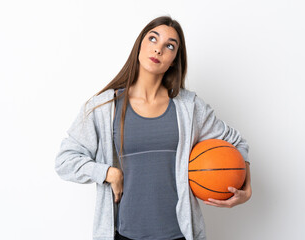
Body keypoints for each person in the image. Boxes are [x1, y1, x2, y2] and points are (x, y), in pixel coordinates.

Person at [55, 15, 252, 240]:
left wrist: (246, 185)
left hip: (179, 235)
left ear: (174, 60)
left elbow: (236, 143)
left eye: (169, 46)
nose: (158, 49)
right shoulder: (103, 108)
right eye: (152, 39)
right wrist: (108, 173)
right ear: (139, 46)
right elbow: (65, 161)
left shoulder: (190, 108)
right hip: (123, 235)